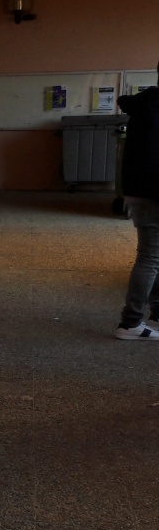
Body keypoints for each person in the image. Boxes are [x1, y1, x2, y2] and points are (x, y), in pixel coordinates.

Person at [117, 76, 159, 339]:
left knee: (154, 256)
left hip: (138, 190)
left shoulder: (145, 105)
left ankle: (157, 313)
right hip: (153, 193)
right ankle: (130, 323)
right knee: (150, 257)